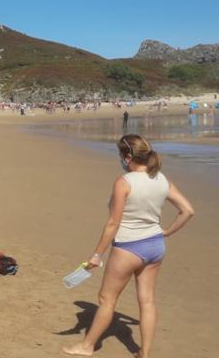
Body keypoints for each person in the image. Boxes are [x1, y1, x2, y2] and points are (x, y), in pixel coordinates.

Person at [61, 134, 194, 358]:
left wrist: (96, 255)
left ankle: (87, 346)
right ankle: (144, 352)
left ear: (128, 156)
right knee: (148, 301)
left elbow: (113, 223)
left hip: (129, 247)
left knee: (106, 299)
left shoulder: (125, 182)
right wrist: (167, 231)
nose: (120, 160)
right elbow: (188, 210)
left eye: (120, 155)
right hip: (155, 246)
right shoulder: (161, 179)